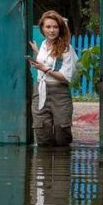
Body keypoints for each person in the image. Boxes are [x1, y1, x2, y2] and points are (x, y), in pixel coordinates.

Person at [27, 10, 77, 147]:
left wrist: (45, 69)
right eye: (48, 27)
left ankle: (62, 165)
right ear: (42, 28)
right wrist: (37, 53)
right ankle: (43, 165)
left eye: (55, 27)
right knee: (41, 130)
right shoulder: (43, 45)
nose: (52, 30)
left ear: (60, 28)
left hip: (59, 92)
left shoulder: (66, 49)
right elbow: (48, 59)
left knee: (62, 130)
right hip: (40, 90)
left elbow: (65, 77)